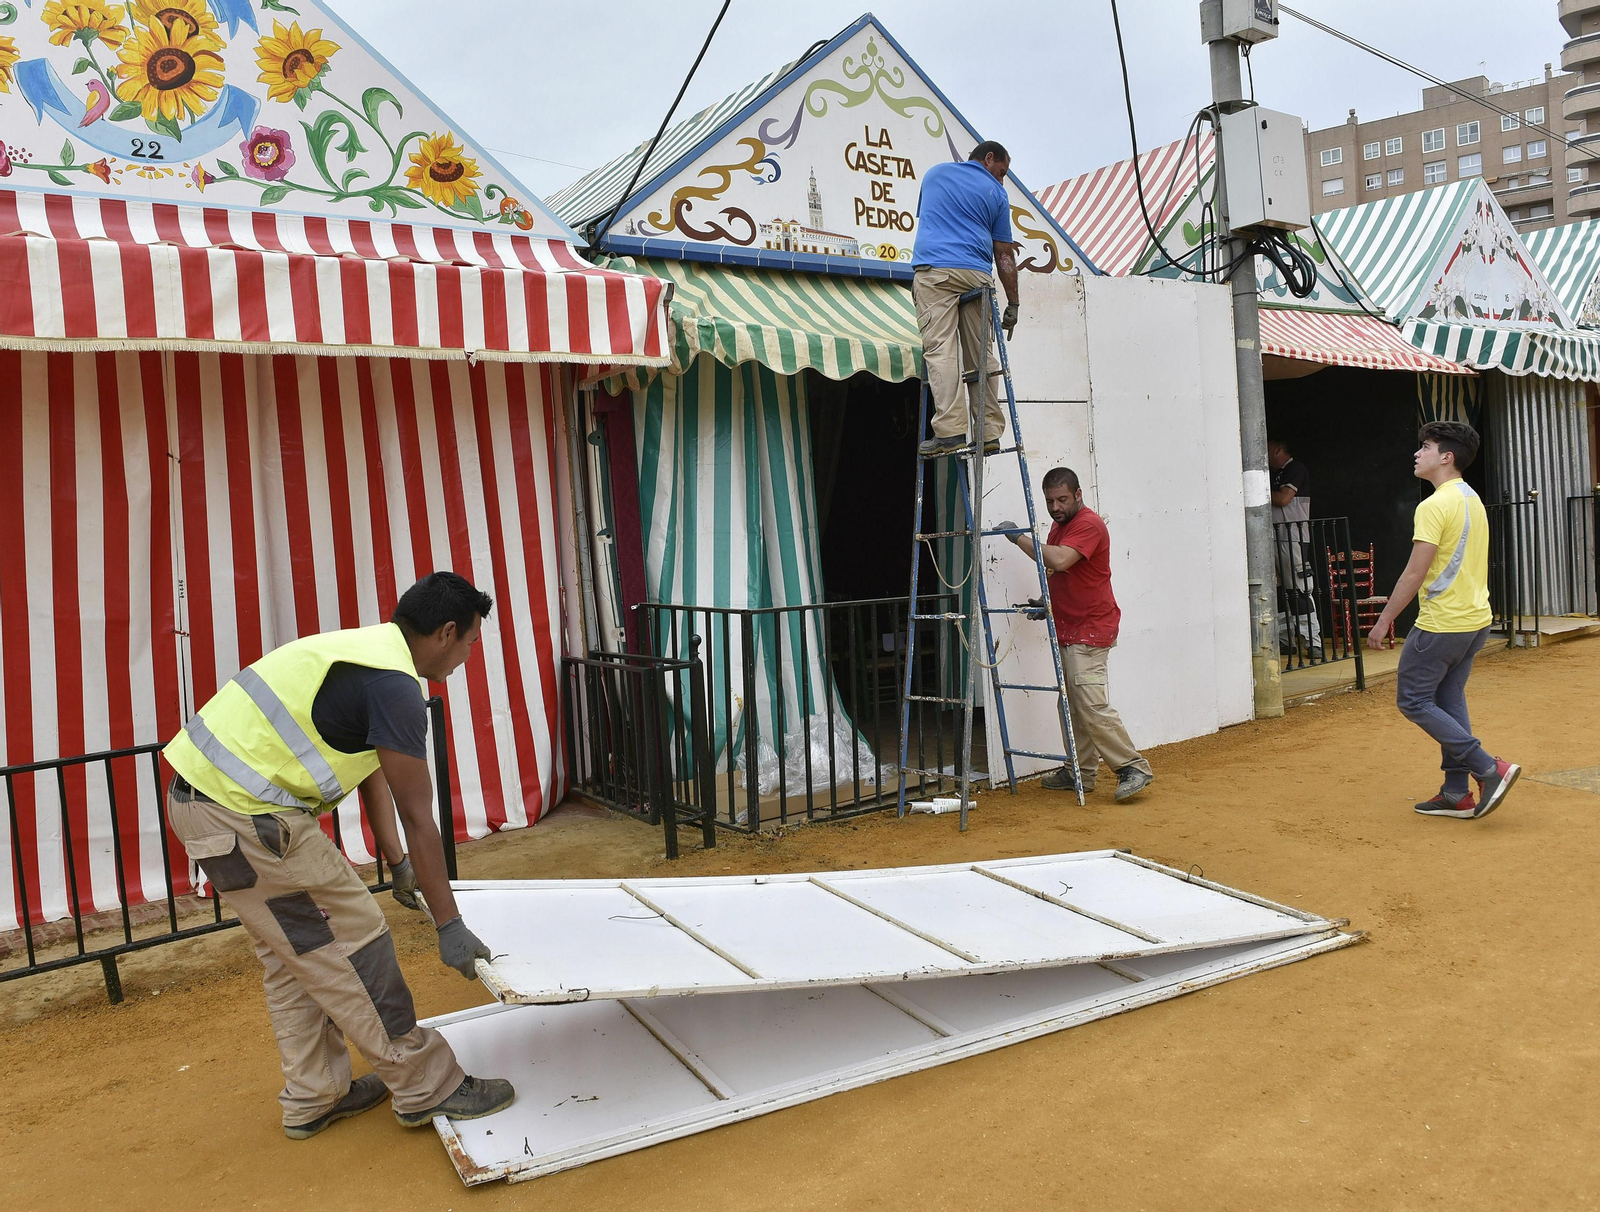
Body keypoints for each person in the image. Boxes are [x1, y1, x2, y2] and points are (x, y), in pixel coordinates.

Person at [162, 572, 516, 1138]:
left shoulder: (364, 653)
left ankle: (314, 1095)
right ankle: (428, 1085)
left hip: (205, 805)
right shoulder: (397, 688)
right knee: (355, 939)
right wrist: (448, 923)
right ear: (447, 632)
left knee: (295, 954)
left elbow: (370, 770)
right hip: (244, 816)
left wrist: (396, 862)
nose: (469, 657)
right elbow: (420, 817)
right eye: (472, 642)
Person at [1367, 422, 1520, 819]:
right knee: (1448, 700)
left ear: (1446, 457)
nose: (1418, 453)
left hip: (1442, 624)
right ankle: (1455, 792)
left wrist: (1384, 621)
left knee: (1413, 700)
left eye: (1426, 447)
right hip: (1475, 621)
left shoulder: (1434, 505)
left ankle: (1488, 768)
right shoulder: (1471, 498)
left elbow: (1414, 573)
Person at [994, 468, 1154, 802]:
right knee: (1072, 702)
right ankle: (1079, 771)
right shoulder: (1061, 524)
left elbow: (1063, 560)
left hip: (1090, 630)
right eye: (1050, 500)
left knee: (1090, 704)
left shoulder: (1088, 524)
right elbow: (1063, 574)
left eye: (1062, 499)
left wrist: (1020, 538)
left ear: (1078, 494)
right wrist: (1047, 602)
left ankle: (1132, 766)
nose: (1055, 506)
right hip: (1072, 627)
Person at [911, 139, 1020, 459]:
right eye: (1001, 171)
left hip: (936, 272)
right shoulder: (997, 194)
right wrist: (1013, 303)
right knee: (981, 354)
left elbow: (930, 219)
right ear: (988, 158)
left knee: (941, 350)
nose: (1001, 179)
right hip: (976, 275)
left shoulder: (934, 175)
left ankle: (950, 432)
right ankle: (987, 432)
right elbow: (1004, 255)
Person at [1268, 437, 1322, 655]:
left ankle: (1313, 641)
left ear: (1279, 449)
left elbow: (1283, 498)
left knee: (1298, 590)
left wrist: (1256, 491)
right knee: (1277, 591)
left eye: (1267, 447)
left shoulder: (1295, 468)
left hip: (1293, 538)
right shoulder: (1269, 474)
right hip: (1269, 537)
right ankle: (1284, 639)